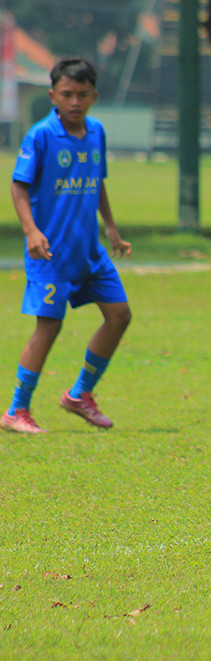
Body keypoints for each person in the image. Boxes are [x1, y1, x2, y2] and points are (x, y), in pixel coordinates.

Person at [1, 58, 132, 434]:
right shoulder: (41, 135)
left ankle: (79, 395)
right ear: (52, 95)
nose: (75, 101)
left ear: (94, 96)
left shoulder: (97, 132)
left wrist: (110, 228)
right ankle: (16, 410)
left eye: (82, 94)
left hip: (89, 252)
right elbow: (18, 186)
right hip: (51, 253)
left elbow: (96, 181)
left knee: (120, 315)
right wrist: (31, 231)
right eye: (67, 94)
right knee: (49, 327)